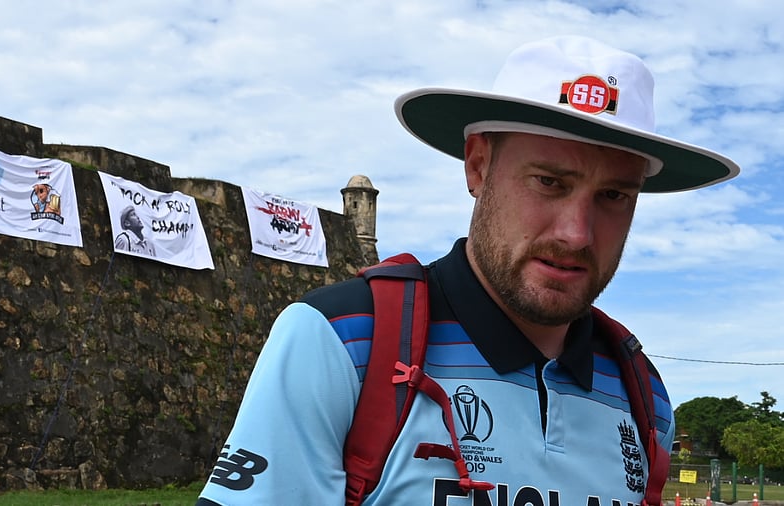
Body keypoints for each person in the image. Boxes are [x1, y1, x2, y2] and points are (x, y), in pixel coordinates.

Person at [197, 36, 740, 505]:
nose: (577, 233)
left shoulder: (643, 394)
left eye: (614, 195)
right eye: (548, 182)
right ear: (478, 166)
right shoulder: (342, 341)